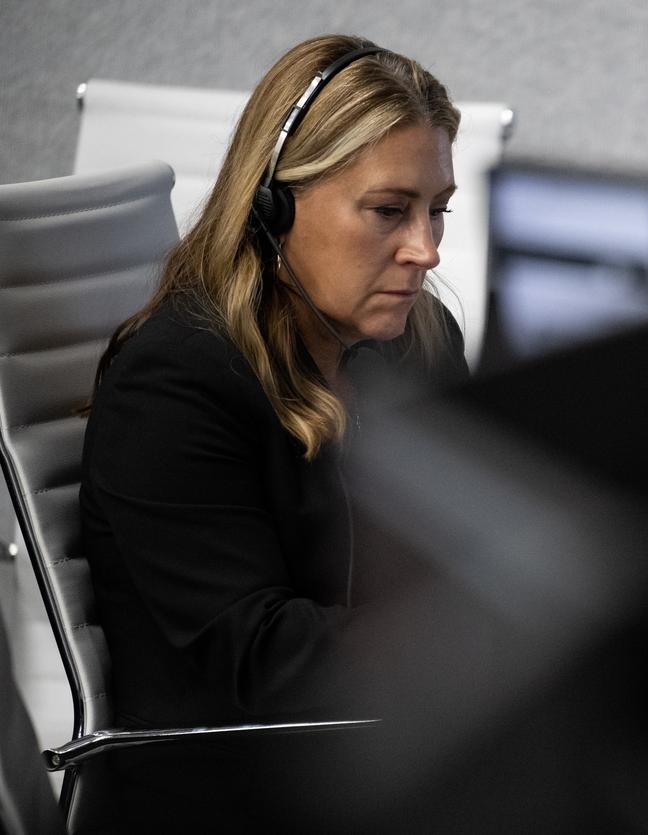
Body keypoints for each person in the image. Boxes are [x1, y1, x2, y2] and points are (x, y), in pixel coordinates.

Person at [79, 34, 469, 829]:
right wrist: (480, 642)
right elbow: (263, 656)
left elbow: (468, 540)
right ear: (273, 204)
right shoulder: (173, 381)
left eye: (438, 212)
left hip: (381, 748)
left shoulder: (417, 339)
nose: (425, 249)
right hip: (229, 779)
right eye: (390, 211)